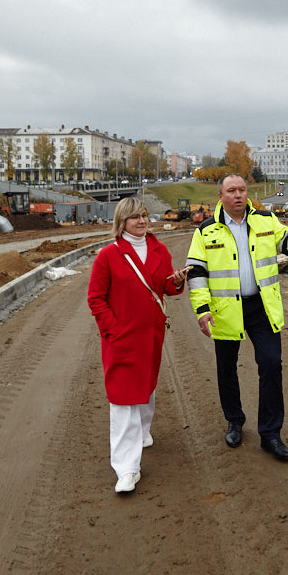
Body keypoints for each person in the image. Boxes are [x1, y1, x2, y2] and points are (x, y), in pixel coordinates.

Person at [185, 175, 288, 460]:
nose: (238, 195)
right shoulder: (206, 230)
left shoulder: (265, 219)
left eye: (242, 189)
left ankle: (271, 433)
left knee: (272, 364)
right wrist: (202, 310)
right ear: (221, 195)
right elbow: (196, 273)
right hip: (226, 310)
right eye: (231, 190)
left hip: (261, 307)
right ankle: (234, 421)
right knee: (227, 369)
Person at [88, 197, 187, 493]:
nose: (142, 221)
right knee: (123, 401)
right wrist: (113, 330)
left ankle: (143, 431)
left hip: (151, 335)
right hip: (121, 338)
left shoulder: (159, 249)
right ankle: (127, 469)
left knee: (146, 387)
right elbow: (95, 299)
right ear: (122, 222)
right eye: (135, 217)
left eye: (144, 215)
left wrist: (178, 281)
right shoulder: (109, 255)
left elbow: (165, 287)